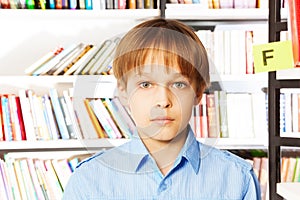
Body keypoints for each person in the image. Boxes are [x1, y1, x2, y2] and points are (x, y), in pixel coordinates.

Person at [63, 18, 261, 200]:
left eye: (178, 84)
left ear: (198, 93)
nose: (163, 101)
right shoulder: (88, 180)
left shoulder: (238, 178)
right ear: (123, 93)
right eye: (146, 84)